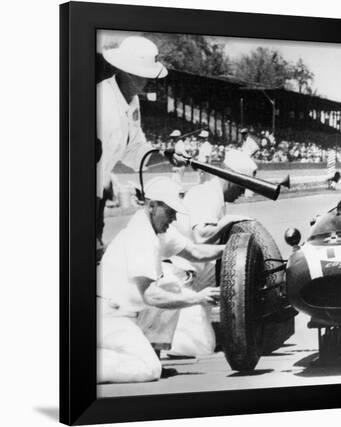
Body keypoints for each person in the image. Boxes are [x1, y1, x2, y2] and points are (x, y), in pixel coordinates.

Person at [97, 177, 221, 383]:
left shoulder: (157, 229)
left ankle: (150, 353)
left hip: (125, 313)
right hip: (110, 317)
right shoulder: (140, 237)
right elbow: (151, 296)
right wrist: (197, 298)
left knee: (170, 285)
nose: (173, 218)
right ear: (152, 206)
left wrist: (238, 248)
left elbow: (196, 252)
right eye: (170, 212)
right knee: (148, 369)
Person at [160, 149, 258, 357]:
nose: (243, 193)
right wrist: (229, 222)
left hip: (190, 276)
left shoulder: (213, 196)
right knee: (195, 347)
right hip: (177, 279)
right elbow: (202, 237)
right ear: (230, 179)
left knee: (203, 343)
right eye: (242, 186)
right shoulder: (207, 195)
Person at [96, 36, 184, 255]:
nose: (148, 80)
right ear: (126, 71)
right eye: (142, 74)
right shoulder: (101, 101)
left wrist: (165, 155)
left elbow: (134, 150)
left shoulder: (132, 101)